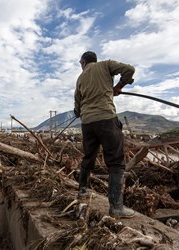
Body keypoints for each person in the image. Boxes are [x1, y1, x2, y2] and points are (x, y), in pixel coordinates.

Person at [74, 51, 135, 219]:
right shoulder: (106, 65)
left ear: (84, 62)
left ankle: (83, 191)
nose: (81, 65)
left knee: (88, 156)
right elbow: (129, 70)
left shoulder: (80, 79)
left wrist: (80, 111)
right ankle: (116, 207)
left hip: (87, 123)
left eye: (80, 63)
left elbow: (77, 107)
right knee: (115, 161)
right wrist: (118, 87)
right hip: (106, 119)